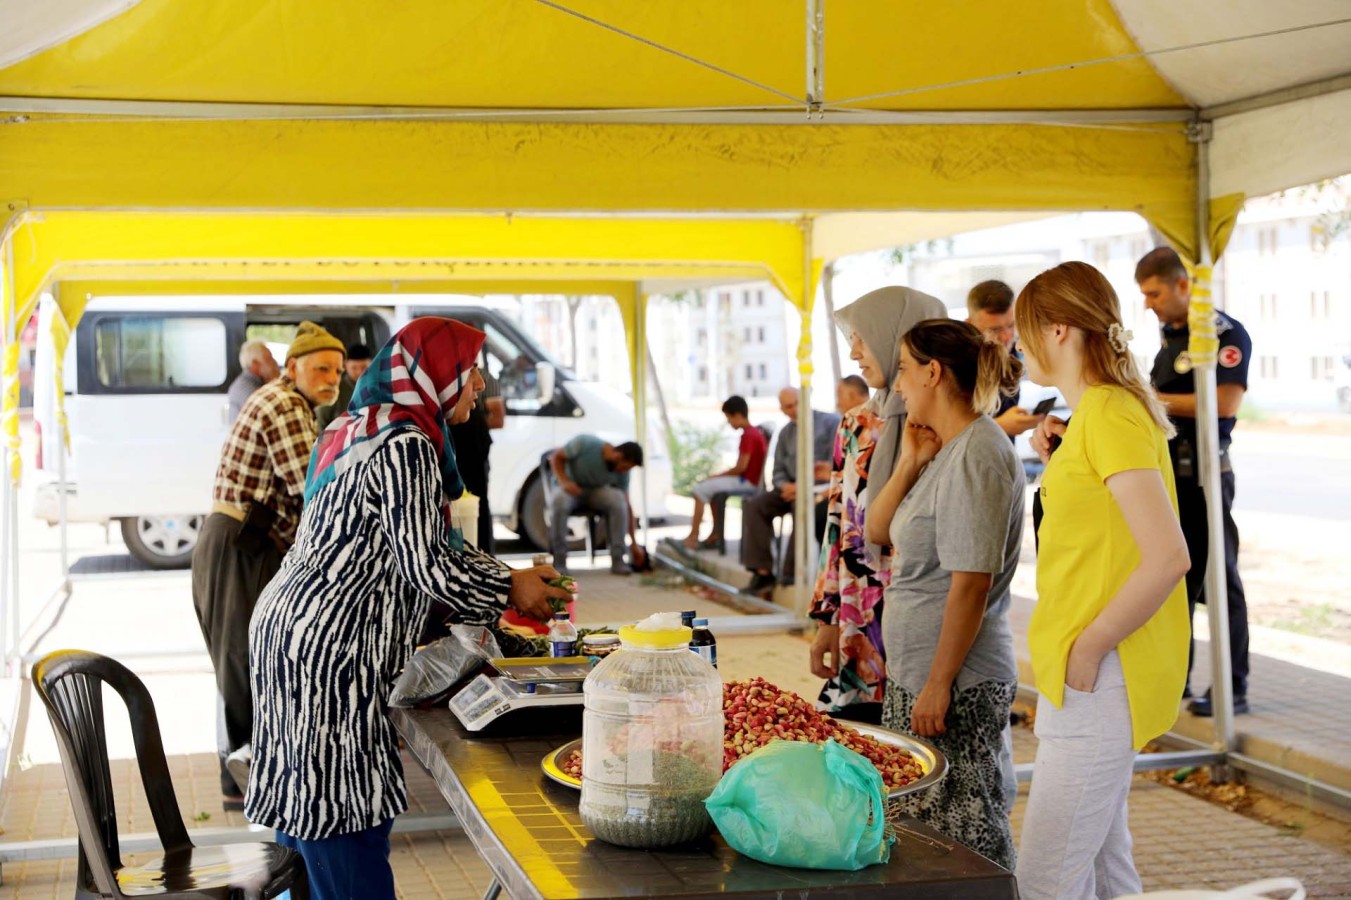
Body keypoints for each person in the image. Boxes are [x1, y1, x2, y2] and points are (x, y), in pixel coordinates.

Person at [245, 318, 569, 899]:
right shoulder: (406, 443)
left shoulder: (356, 427)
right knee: (340, 817)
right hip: (330, 648)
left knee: (304, 817)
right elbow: (431, 565)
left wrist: (498, 584)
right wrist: (511, 587)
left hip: (291, 634)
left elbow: (404, 543)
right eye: (471, 372)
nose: (480, 386)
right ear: (435, 374)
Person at [1014, 262, 1191, 899]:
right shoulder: (1096, 414)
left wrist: (1090, 647)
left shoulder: (1111, 413)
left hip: (1101, 667)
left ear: (1058, 330)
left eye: (1024, 331)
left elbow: (1169, 556)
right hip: (1087, 667)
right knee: (1104, 873)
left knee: (1044, 883)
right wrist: (1057, 463)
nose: (1018, 346)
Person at [863, 318, 1024, 869]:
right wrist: (909, 460)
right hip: (921, 671)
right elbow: (878, 530)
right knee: (925, 828)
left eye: (905, 370)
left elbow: (972, 583)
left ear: (933, 372)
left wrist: (938, 684)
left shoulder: (978, 452)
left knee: (970, 833)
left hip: (957, 680)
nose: (898, 385)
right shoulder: (945, 450)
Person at [192, 321, 344, 809]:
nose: (331, 378)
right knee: (245, 663)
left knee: (244, 662)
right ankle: (253, 786)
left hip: (242, 543)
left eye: (337, 370)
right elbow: (314, 490)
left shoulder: (290, 403)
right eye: (321, 367)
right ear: (292, 367)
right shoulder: (284, 404)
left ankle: (247, 784)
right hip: (240, 544)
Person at [809, 287, 946, 725]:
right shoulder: (856, 424)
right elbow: (838, 527)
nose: (854, 353)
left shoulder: (947, 429)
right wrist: (827, 621)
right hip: (859, 628)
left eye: (862, 338)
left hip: (922, 628)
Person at [1137, 246, 1252, 716]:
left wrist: (1148, 400)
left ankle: (1232, 686)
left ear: (1184, 285)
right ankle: (1175, 680)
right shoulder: (1170, 336)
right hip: (1170, 473)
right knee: (1172, 578)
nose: (1148, 303)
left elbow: (1224, 404)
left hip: (1205, 471)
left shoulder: (1223, 334)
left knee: (1219, 578)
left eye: (1155, 293)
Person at [742, 388, 839, 597]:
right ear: (782, 409)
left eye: (796, 403)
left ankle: (791, 572)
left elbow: (836, 465)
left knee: (802, 505)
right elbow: (777, 470)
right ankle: (762, 572)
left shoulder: (831, 423)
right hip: (789, 489)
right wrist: (784, 485)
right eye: (788, 406)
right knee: (755, 505)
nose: (794, 409)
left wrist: (804, 487)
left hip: (818, 489)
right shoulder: (785, 433)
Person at [548, 436, 647, 575]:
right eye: (625, 467)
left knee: (618, 500)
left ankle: (618, 559)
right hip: (569, 488)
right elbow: (555, 457)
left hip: (594, 492)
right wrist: (564, 481)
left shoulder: (623, 473)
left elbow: (627, 505)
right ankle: (559, 561)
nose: (624, 472)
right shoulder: (585, 443)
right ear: (617, 455)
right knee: (559, 501)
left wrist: (634, 544)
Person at [683, 395, 768, 550]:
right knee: (712, 491)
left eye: (729, 418)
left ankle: (693, 536)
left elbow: (741, 467)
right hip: (748, 480)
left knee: (700, 489)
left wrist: (717, 476)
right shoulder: (754, 432)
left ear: (736, 415)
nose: (728, 423)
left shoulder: (749, 435)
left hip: (747, 482)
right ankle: (715, 534)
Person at [967, 279, 1043, 441]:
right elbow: (946, 438)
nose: (1006, 337)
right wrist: (1000, 426)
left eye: (1011, 326)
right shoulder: (955, 365)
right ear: (970, 325)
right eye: (994, 330)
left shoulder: (1013, 356)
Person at [448, 362, 506, 554]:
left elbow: (498, 419)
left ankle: (483, 554)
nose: (479, 385)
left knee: (476, 501)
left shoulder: (486, 378)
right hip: (460, 438)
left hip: (474, 442)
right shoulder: (450, 373)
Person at [316, 342, 374, 431]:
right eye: (354, 368)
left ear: (372, 364)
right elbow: (321, 424)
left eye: (364, 367)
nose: (359, 372)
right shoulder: (334, 389)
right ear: (346, 365)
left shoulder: (378, 387)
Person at [227, 339, 280, 422]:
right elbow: (271, 415)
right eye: (269, 359)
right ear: (255, 364)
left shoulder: (255, 384)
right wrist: (276, 382)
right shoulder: (246, 389)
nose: (275, 362)